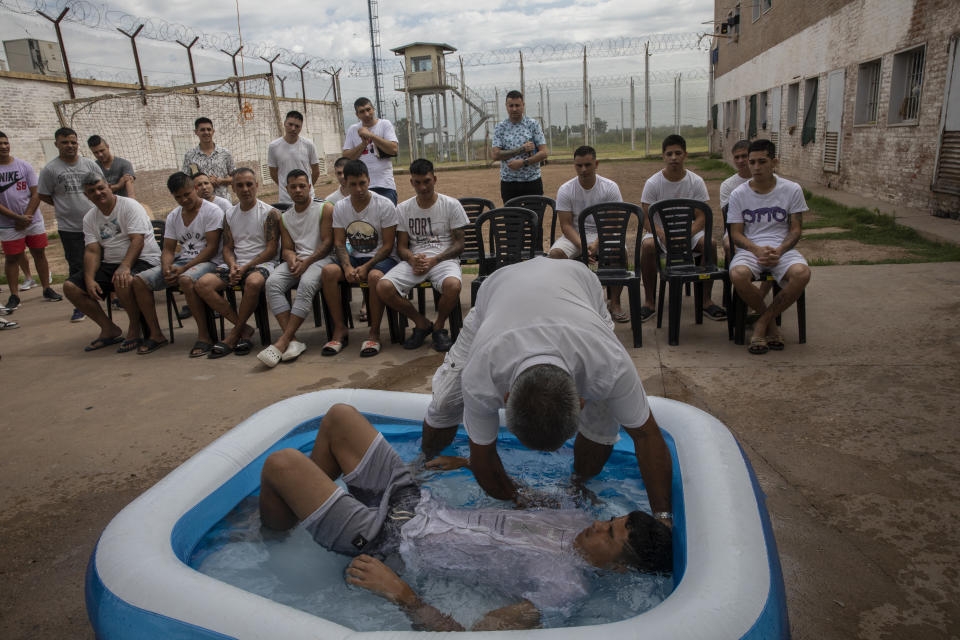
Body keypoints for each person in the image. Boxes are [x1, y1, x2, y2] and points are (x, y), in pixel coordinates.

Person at [259, 403, 672, 631]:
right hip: (415, 502)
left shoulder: (565, 589)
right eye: (610, 521)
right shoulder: (574, 518)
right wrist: (470, 464)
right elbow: (519, 493)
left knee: (281, 464)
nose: (599, 524)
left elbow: (474, 637)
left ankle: (270, 539)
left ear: (618, 570)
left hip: (388, 541)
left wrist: (403, 595)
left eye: (610, 534)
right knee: (339, 417)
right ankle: (305, 511)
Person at [420, 257, 673, 525]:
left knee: (603, 420)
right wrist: (519, 498)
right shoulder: (481, 374)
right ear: (506, 398)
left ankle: (578, 484)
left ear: (581, 400)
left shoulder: (608, 363)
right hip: (499, 293)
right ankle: (423, 461)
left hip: (579, 289)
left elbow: (647, 436)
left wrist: (663, 519)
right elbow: (483, 458)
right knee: (446, 402)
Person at [727, 139, 811, 354]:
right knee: (737, 275)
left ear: (774, 162)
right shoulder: (738, 194)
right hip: (751, 249)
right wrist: (756, 250)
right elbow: (735, 233)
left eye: (762, 161)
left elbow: (795, 230)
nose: (755, 167)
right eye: (752, 162)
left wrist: (780, 250)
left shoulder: (791, 190)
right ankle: (772, 325)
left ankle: (762, 323)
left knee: (802, 274)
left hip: (782, 249)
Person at [62, 174, 162, 353]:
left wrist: (125, 265)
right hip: (111, 263)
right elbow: (92, 250)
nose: (98, 193)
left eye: (101, 188)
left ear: (109, 186)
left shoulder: (129, 206)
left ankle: (134, 328)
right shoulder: (89, 218)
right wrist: (90, 278)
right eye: (92, 191)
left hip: (144, 258)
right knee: (71, 287)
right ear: (86, 195)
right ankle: (109, 328)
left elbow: (137, 240)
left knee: (121, 278)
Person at [377, 159, 468, 353]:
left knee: (453, 285)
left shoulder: (451, 204)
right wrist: (412, 259)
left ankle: (439, 327)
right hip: (416, 261)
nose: (423, 187)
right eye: (417, 182)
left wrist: (435, 260)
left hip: (443, 259)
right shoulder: (403, 208)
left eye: (427, 181)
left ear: (434, 179)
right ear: (411, 182)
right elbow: (401, 246)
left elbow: (460, 244)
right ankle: (421, 323)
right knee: (383, 287)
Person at [134, 172, 223, 357]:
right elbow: (168, 249)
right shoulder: (174, 216)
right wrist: (167, 267)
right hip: (182, 262)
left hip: (209, 262)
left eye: (186, 194)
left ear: (195, 189)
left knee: (185, 279)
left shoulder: (212, 211)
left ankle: (204, 336)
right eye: (178, 197)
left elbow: (212, 248)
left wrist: (183, 268)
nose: (183, 200)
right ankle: (156, 334)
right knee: (139, 281)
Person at [639, 134, 725, 323]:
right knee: (647, 247)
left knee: (709, 244)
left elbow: (701, 216)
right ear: (663, 156)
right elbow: (646, 218)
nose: (674, 157)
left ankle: (706, 301)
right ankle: (649, 302)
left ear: (685, 155)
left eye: (678, 153)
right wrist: (661, 234)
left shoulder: (696, 182)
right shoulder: (653, 183)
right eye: (669, 154)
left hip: (688, 232)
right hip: (660, 231)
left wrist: (687, 234)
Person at [195, 168, 280, 358]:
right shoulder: (230, 213)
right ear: (233, 188)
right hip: (237, 263)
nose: (245, 189)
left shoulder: (270, 213)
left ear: (256, 186)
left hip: (262, 263)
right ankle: (244, 329)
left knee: (253, 282)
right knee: (203, 284)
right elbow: (227, 247)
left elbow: (271, 250)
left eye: (249, 184)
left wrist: (246, 267)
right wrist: (233, 265)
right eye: (239, 185)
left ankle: (234, 334)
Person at [320, 160, 399, 358]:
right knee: (328, 272)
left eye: (363, 183)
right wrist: (346, 267)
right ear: (345, 183)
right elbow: (339, 243)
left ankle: (374, 332)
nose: (359, 189)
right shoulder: (341, 207)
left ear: (369, 180)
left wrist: (367, 266)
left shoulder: (384, 204)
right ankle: (340, 329)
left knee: (373, 277)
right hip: (355, 257)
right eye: (353, 184)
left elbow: (389, 245)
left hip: (383, 258)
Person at [256, 170, 334, 368]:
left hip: (322, 259)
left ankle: (283, 340)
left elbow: (327, 244)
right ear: (287, 189)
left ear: (309, 187)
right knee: (272, 283)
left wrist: (307, 262)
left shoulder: (325, 209)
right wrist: (291, 260)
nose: (298, 190)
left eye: (302, 186)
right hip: (298, 261)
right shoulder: (285, 217)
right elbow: (288, 249)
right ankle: (293, 341)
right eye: (293, 187)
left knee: (306, 283)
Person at [546, 145, 626, 319]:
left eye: (588, 165)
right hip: (575, 234)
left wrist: (596, 244)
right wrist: (583, 245)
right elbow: (566, 225)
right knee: (555, 254)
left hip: (604, 233)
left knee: (619, 252)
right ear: (574, 165)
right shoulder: (566, 189)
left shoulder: (610, 188)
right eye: (579, 165)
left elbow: (614, 222)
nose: (583, 170)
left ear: (596, 164)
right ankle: (565, 302)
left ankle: (615, 302)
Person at [38, 127, 104, 322]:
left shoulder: (90, 165)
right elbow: (43, 194)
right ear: (56, 144)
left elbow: (102, 187)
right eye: (65, 142)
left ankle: (112, 296)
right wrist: (63, 205)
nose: (70, 146)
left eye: (73, 142)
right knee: (77, 265)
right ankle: (81, 305)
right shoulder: (50, 170)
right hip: (70, 227)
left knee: (105, 261)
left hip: (95, 224)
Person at [0, 131, 61, 310]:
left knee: (39, 254)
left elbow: (36, 193)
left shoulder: (24, 166)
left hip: (33, 221)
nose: (3, 146)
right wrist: (16, 218)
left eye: (5, 142)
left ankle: (47, 288)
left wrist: (26, 216)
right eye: (0, 144)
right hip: (8, 224)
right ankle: (14, 295)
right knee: (12, 258)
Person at [491, 90, 549, 205]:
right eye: (511, 105)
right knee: (512, 221)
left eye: (517, 105)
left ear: (523, 105)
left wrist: (523, 162)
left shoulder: (533, 125)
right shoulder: (500, 127)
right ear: (506, 106)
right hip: (509, 183)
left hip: (532, 181)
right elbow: (495, 155)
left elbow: (544, 153)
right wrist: (521, 149)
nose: (514, 109)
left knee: (535, 220)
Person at [342, 98, 399, 204]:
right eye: (362, 111)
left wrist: (371, 135)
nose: (367, 114)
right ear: (357, 115)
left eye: (368, 109)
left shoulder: (384, 124)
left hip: (385, 185)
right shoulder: (353, 129)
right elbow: (346, 158)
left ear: (373, 109)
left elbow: (393, 149)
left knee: (388, 219)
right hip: (361, 187)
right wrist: (363, 144)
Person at [268, 110, 320, 209]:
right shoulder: (273, 146)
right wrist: (286, 187)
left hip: (307, 197)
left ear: (301, 127)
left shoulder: (309, 145)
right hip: (286, 198)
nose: (293, 128)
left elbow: (316, 171)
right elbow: (273, 172)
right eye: (290, 124)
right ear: (284, 123)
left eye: (297, 126)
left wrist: (306, 187)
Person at [182, 117, 235, 200]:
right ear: (196, 132)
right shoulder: (189, 156)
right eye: (202, 130)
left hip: (224, 200)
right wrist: (203, 182)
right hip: (201, 202)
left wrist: (221, 180)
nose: (206, 132)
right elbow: (186, 181)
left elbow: (235, 177)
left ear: (213, 131)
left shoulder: (225, 153)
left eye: (209, 129)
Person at [87, 135, 135, 199]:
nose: (100, 154)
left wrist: (133, 204)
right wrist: (118, 186)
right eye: (96, 152)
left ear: (107, 146)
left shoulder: (124, 164)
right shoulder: (93, 168)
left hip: (124, 204)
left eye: (102, 150)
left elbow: (131, 193)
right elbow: (97, 192)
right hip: (105, 206)